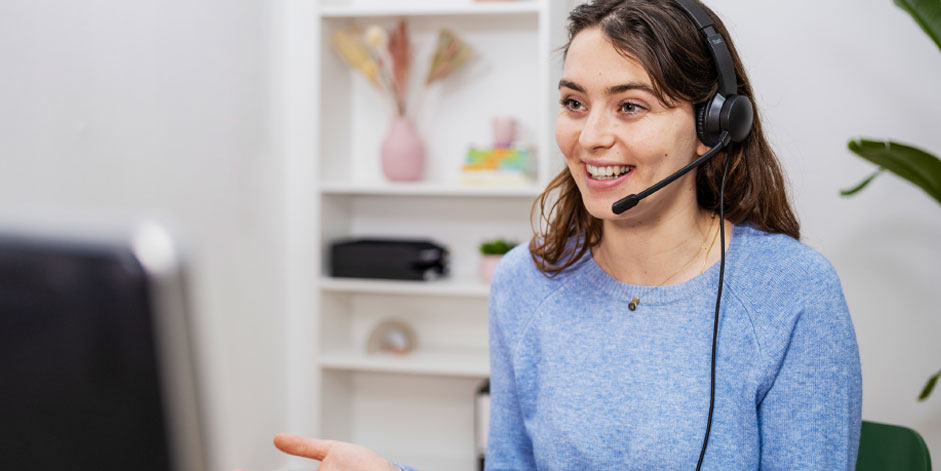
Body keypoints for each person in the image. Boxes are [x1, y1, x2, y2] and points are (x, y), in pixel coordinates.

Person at [266, 0, 862, 469]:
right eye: (575, 103)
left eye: (630, 107)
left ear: (713, 127)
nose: (589, 137)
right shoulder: (524, 283)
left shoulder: (792, 293)